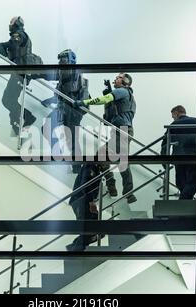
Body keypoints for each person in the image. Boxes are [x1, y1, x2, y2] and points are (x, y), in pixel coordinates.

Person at [74, 73, 137, 204]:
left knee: (102, 156)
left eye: (119, 77)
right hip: (122, 131)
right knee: (121, 161)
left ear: (125, 81)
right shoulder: (127, 96)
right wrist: (109, 103)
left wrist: (83, 102)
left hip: (122, 131)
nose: (116, 79)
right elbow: (108, 119)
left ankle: (114, 186)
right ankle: (127, 192)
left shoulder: (122, 91)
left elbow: (105, 99)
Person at [0, 16, 37, 135]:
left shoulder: (19, 35)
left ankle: (27, 117)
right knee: (9, 100)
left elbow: (10, 47)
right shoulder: (20, 35)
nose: (10, 24)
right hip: (19, 73)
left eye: (11, 22)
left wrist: (5, 50)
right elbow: (6, 45)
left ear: (16, 24)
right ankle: (16, 125)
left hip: (20, 74)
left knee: (7, 100)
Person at [38, 49, 89, 173]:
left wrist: (37, 73)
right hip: (63, 108)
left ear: (70, 59)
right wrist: (50, 100)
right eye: (60, 58)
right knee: (46, 128)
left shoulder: (74, 73)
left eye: (64, 58)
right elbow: (60, 95)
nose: (61, 61)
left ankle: (77, 168)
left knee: (71, 140)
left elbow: (72, 93)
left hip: (73, 112)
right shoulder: (63, 74)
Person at [66, 163, 102, 251]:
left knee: (96, 228)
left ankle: (73, 247)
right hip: (81, 201)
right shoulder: (90, 166)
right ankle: (75, 251)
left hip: (83, 201)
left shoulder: (95, 168)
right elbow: (85, 185)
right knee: (88, 229)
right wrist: (91, 202)